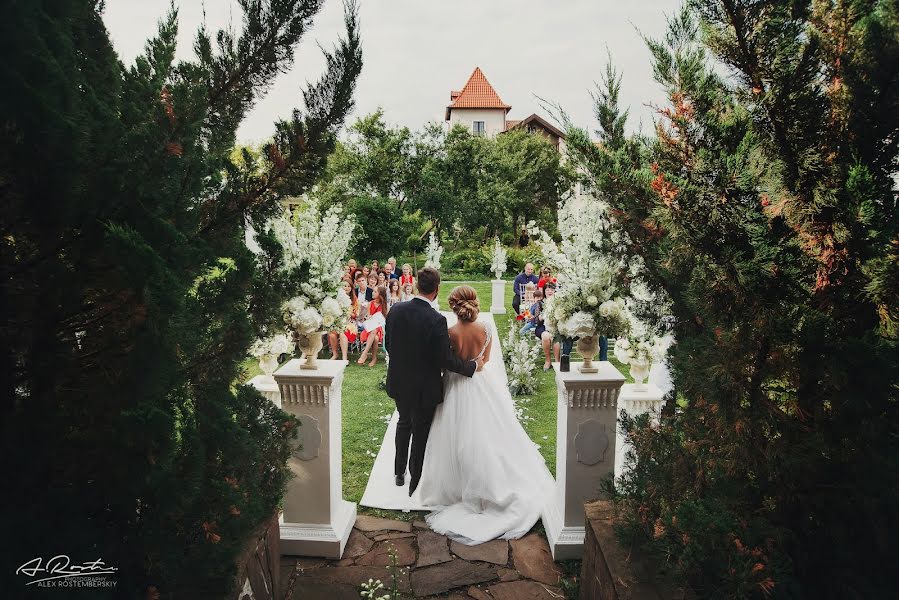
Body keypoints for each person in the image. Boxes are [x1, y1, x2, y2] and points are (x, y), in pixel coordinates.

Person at [416, 285, 555, 545]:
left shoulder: (449, 332)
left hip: (455, 386)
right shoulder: (487, 329)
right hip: (481, 385)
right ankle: (487, 481)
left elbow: (446, 362)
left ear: (454, 305)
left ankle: (455, 487)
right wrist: (475, 363)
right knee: (489, 434)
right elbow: (485, 361)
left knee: (454, 437)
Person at [384, 268, 483, 493]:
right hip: (424, 387)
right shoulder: (436, 319)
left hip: (399, 382)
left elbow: (389, 345)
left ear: (418, 285)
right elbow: (445, 359)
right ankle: (415, 481)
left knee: (403, 422)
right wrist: (472, 366)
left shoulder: (396, 309)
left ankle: (399, 473)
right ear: (437, 289)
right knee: (420, 431)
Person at [328, 281, 359, 361]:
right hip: (339, 321)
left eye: (349, 286)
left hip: (350, 323)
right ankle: (335, 354)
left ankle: (344, 358)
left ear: (351, 288)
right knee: (332, 333)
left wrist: (348, 313)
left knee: (342, 333)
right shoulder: (337, 300)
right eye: (345, 286)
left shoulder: (355, 300)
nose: (347, 288)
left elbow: (356, 315)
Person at [358, 285, 388, 367]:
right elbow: (367, 318)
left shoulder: (384, 305)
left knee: (375, 335)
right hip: (370, 327)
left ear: (380, 294)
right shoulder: (370, 304)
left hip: (380, 328)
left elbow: (384, 320)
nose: (372, 293)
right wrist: (369, 317)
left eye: (375, 291)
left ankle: (365, 354)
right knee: (375, 336)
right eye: (373, 291)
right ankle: (373, 358)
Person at [535, 282, 560, 371]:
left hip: (555, 326)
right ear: (544, 291)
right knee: (546, 336)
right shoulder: (540, 303)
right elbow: (536, 320)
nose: (550, 291)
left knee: (555, 337)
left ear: (555, 291)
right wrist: (541, 317)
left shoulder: (558, 302)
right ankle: (548, 360)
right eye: (547, 289)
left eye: (552, 289)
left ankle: (557, 361)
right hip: (542, 327)